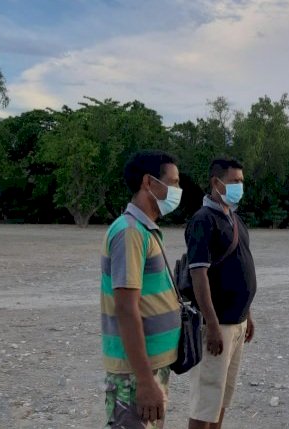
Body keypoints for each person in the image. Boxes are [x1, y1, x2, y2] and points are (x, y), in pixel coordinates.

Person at [100, 150, 183, 428]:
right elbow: (126, 309)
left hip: (149, 368)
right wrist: (145, 381)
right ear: (149, 182)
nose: (177, 190)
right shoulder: (130, 232)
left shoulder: (145, 230)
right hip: (135, 375)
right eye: (173, 182)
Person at [185, 158, 257, 429]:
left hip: (236, 322)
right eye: (234, 181)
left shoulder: (234, 218)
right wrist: (212, 325)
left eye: (242, 181)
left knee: (222, 399)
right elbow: (198, 274)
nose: (240, 186)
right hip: (217, 325)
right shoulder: (203, 220)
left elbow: (238, 268)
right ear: (216, 183)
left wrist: (247, 313)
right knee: (206, 403)